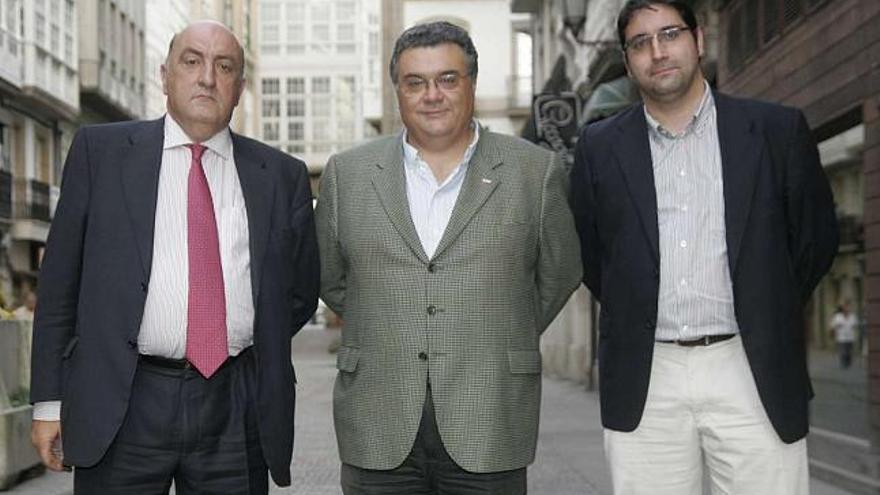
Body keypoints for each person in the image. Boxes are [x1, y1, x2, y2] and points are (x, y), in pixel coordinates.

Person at [29, 20, 318, 494]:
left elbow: (300, 291)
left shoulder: (281, 176)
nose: (207, 77)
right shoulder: (99, 154)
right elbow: (60, 287)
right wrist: (47, 405)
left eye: (224, 66)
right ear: (165, 76)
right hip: (123, 403)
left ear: (239, 88)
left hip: (234, 406)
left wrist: (239, 330)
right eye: (192, 61)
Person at [570, 1, 839, 493]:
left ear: (698, 40)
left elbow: (815, 241)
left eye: (669, 34)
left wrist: (765, 304)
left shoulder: (776, 131)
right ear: (628, 62)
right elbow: (592, 255)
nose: (657, 51)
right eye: (640, 43)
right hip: (648, 375)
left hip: (750, 365)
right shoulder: (599, 147)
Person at [316, 21, 582, 494]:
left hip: (490, 413)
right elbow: (333, 279)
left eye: (447, 79)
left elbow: (558, 274)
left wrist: (496, 327)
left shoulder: (533, 171)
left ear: (471, 84)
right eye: (415, 83)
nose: (431, 95)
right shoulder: (347, 174)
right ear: (398, 91)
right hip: (378, 417)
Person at [830, 302, 857, 369]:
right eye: (845, 308)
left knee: (849, 352)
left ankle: (848, 363)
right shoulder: (838, 316)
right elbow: (832, 325)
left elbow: (855, 324)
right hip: (841, 337)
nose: (847, 309)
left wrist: (853, 326)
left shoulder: (852, 316)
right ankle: (843, 364)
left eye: (848, 308)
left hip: (850, 337)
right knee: (843, 351)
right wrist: (836, 327)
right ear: (843, 309)